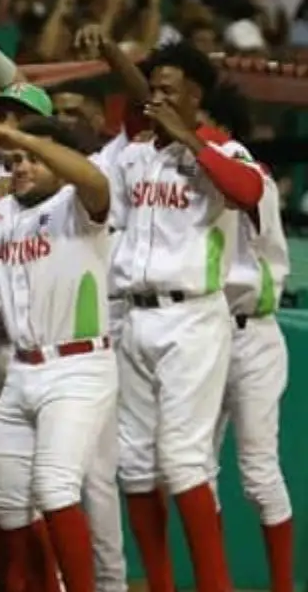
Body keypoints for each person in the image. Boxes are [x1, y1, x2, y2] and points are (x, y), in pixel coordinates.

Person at [108, 41, 265, 592]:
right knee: (133, 465)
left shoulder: (225, 149)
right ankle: (160, 584)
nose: (158, 98)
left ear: (197, 95)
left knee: (182, 462)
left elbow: (247, 191)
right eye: (153, 89)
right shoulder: (134, 155)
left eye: (169, 89)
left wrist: (193, 142)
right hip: (136, 316)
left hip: (192, 316)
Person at [0, 118, 116, 592]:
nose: (22, 166)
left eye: (32, 160)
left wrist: (28, 139)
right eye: (16, 162)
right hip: (21, 368)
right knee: (8, 505)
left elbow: (93, 179)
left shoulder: (77, 205)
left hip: (78, 367)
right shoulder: (3, 209)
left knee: (55, 488)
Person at [203, 83, 295, 592]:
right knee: (197, 467)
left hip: (253, 332)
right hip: (207, 329)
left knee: (258, 475)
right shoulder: (187, 173)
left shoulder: (245, 169)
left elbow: (242, 189)